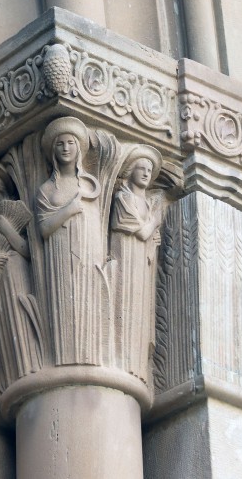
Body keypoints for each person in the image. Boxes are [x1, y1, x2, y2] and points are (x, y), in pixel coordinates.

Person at [36, 117, 102, 365]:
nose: (65, 148)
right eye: (60, 144)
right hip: (58, 253)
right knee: (64, 304)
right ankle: (64, 357)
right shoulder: (46, 189)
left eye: (70, 143)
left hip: (86, 252)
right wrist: (70, 210)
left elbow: (94, 224)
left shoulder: (87, 184)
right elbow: (43, 228)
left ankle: (89, 353)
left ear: (79, 149)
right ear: (53, 151)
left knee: (86, 301)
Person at [0, 161, 42, 384]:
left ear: (2, 185)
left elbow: (26, 250)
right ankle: (14, 373)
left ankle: (30, 365)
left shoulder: (12, 211)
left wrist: (8, 230)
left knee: (19, 313)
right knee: (5, 319)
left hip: (15, 270)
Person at [110, 145, 163, 377]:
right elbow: (142, 233)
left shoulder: (147, 204)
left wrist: (152, 233)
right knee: (126, 303)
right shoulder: (124, 198)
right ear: (130, 171)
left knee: (140, 309)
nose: (145, 173)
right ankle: (122, 356)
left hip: (142, 264)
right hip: (127, 259)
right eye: (141, 168)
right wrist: (154, 221)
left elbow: (148, 238)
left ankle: (137, 361)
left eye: (149, 170)